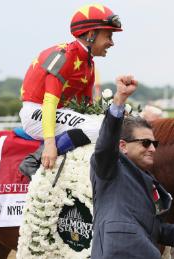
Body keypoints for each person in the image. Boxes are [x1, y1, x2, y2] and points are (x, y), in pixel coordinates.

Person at [90, 75, 174, 259]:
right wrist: (119, 100)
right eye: (145, 143)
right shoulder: (110, 166)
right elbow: (105, 143)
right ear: (122, 146)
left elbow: (152, 227)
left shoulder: (147, 178)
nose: (152, 149)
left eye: (154, 143)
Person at [19, 4, 123, 175]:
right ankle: (35, 160)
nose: (111, 43)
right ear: (91, 35)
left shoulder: (88, 64)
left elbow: (85, 108)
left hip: (57, 113)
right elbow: (49, 103)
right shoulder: (64, 56)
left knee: (104, 125)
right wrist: (50, 144)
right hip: (38, 112)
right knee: (101, 130)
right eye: (108, 36)